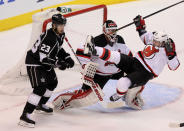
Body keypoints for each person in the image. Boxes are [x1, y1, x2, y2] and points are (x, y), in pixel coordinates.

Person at [84, 15, 180, 109]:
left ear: (163, 42)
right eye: (154, 40)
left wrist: (171, 54)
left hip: (145, 73)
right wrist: (140, 26)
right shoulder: (154, 38)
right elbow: (144, 36)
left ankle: (119, 94)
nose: (154, 43)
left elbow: (174, 66)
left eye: (157, 42)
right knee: (116, 56)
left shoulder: (169, 50)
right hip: (136, 61)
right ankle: (94, 49)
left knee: (123, 82)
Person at [52, 20, 133, 109]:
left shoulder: (120, 40)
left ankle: (130, 96)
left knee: (135, 75)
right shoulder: (97, 41)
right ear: (104, 30)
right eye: (110, 30)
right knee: (87, 96)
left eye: (114, 30)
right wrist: (86, 66)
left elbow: (128, 54)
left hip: (117, 72)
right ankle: (63, 100)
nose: (113, 33)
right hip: (100, 75)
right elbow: (81, 50)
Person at [18, 13, 75, 128]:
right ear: (53, 25)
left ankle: (40, 105)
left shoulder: (60, 34)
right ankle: (25, 115)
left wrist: (66, 57)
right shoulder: (49, 37)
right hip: (34, 62)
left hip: (44, 62)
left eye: (63, 25)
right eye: (60, 25)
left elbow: (58, 48)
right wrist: (59, 63)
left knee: (53, 83)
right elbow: (42, 58)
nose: (62, 27)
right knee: (39, 88)